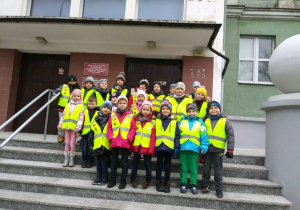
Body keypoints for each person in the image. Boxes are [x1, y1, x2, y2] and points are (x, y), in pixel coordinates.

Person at [202, 101, 235, 198]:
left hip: (218, 149)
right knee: (206, 169)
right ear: (209, 111)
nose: (213, 110)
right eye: (211, 108)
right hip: (207, 149)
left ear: (219, 110)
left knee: (218, 170)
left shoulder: (225, 120)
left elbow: (230, 135)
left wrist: (230, 149)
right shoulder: (205, 120)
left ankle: (219, 189)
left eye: (216, 108)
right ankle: (205, 186)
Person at [107, 96, 136, 189]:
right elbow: (109, 127)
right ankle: (113, 179)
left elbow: (133, 128)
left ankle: (123, 180)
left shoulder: (130, 115)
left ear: (127, 104)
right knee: (114, 161)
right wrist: (110, 137)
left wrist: (129, 138)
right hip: (114, 141)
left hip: (125, 141)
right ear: (117, 104)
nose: (122, 105)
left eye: (124, 103)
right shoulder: (112, 115)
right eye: (120, 103)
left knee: (124, 162)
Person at [178, 103, 208, 195]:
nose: (191, 113)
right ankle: (183, 183)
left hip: (195, 148)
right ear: (187, 112)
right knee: (184, 167)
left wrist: (204, 146)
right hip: (183, 148)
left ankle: (193, 184)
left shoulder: (200, 123)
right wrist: (176, 146)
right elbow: (177, 134)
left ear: (196, 112)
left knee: (193, 168)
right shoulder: (181, 121)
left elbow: (203, 136)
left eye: (193, 111)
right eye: (189, 111)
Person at [155, 101, 180, 193]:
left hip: (169, 147)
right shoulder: (157, 121)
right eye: (164, 109)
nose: (165, 110)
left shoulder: (174, 122)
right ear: (161, 110)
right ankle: (158, 182)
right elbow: (154, 134)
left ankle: (167, 183)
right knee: (159, 165)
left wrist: (177, 146)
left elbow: (177, 135)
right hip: (159, 146)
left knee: (168, 166)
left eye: (167, 109)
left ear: (170, 111)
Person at [130, 101, 156, 189]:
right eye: (144, 109)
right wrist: (132, 147)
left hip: (147, 147)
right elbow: (133, 134)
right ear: (141, 109)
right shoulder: (136, 120)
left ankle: (148, 180)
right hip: (137, 146)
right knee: (134, 164)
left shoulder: (152, 123)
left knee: (148, 164)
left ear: (150, 111)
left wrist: (151, 149)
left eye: (147, 110)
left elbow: (153, 139)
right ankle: (133, 179)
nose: (145, 111)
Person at [57, 89, 84, 167]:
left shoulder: (81, 106)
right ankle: (66, 159)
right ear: (72, 96)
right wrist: (60, 124)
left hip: (74, 128)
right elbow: (63, 115)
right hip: (67, 127)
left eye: (78, 96)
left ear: (80, 97)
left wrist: (78, 127)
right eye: (74, 96)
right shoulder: (68, 105)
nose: (76, 97)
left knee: (72, 143)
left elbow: (81, 117)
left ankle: (71, 160)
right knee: (67, 143)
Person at [89, 100, 113, 185]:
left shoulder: (111, 118)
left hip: (106, 144)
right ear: (101, 108)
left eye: (108, 108)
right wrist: (90, 143)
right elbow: (92, 131)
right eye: (104, 107)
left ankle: (105, 177)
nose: (105, 109)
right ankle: (98, 176)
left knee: (104, 161)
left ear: (110, 109)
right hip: (97, 143)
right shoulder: (96, 118)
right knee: (98, 161)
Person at [53, 74, 80, 143]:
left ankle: (66, 137)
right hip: (62, 107)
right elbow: (56, 91)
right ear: (67, 81)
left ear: (76, 82)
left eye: (73, 81)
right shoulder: (63, 86)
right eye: (70, 81)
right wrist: (54, 95)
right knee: (61, 122)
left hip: (72, 108)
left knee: (69, 122)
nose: (72, 83)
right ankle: (61, 136)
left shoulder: (77, 88)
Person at [79, 96, 100, 168]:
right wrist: (80, 131)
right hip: (85, 133)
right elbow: (82, 122)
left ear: (96, 104)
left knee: (91, 149)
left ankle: (90, 161)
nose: (91, 105)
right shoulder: (84, 111)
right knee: (84, 148)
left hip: (94, 134)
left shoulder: (98, 112)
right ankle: (84, 160)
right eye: (89, 104)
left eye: (92, 104)